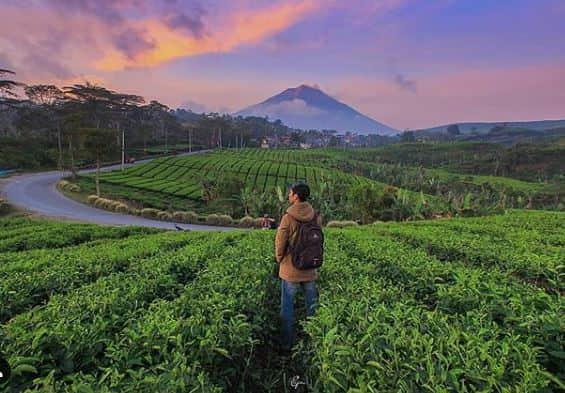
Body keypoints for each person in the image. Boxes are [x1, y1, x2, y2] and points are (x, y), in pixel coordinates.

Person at [275, 183, 320, 355]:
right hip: (309, 268)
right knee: (312, 308)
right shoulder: (314, 216)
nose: (288, 195)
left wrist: (280, 259)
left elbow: (280, 242)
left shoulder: (288, 217)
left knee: (287, 308)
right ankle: (314, 343)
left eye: (290, 193)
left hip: (291, 270)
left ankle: (286, 346)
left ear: (296, 196)